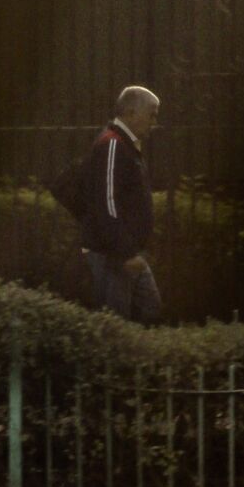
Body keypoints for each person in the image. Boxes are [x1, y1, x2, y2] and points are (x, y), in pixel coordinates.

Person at [77, 85, 162, 321]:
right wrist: (126, 252)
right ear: (131, 112)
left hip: (125, 253)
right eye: (151, 113)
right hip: (114, 255)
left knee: (148, 311)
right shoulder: (113, 144)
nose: (154, 121)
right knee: (116, 321)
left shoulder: (124, 144)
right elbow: (108, 204)